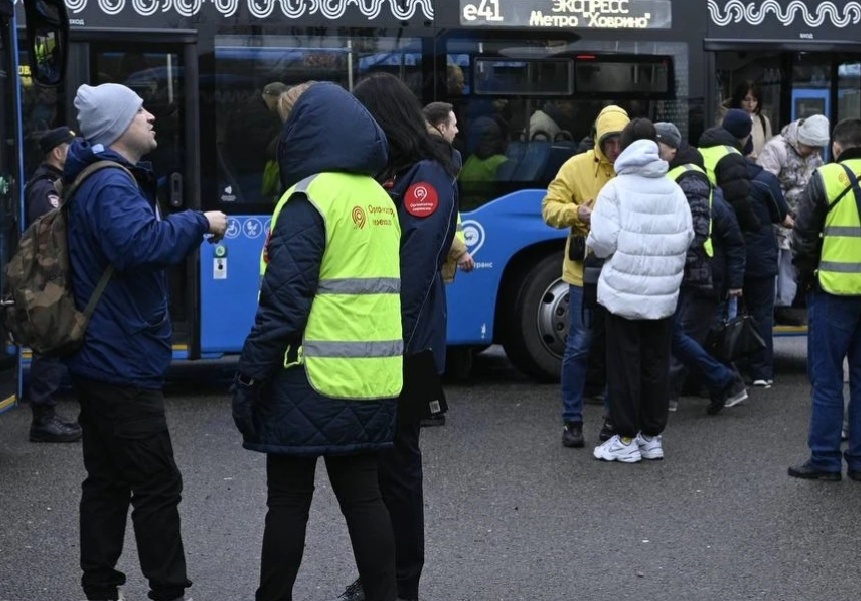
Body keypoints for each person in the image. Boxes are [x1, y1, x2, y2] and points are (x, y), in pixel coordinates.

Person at [232, 81, 402, 601]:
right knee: (365, 500)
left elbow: (284, 303)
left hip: (308, 376)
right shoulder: (378, 197)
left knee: (287, 501)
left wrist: (249, 376)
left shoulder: (310, 198)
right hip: (371, 379)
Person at [64, 83, 228, 601]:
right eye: (140, 110)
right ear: (118, 125)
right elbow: (138, 245)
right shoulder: (112, 184)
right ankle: (167, 590)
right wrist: (199, 221)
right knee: (157, 483)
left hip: (105, 354)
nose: (152, 115)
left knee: (109, 480)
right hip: (120, 359)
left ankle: (101, 586)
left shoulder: (102, 178)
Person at [342, 73, 458, 601]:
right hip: (378, 346)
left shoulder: (424, 177)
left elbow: (411, 280)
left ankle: (400, 582)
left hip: (405, 349)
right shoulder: (388, 172)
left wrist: (393, 353)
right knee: (375, 472)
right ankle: (379, 576)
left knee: (398, 473)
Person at [587, 118, 693, 462]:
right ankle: (652, 435)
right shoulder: (673, 188)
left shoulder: (616, 189)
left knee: (624, 365)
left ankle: (625, 436)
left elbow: (602, 241)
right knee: (655, 363)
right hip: (663, 294)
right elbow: (688, 236)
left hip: (623, 292)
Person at [542, 105, 629, 448]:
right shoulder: (575, 167)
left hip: (622, 272)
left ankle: (612, 419)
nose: (615, 149)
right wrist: (576, 211)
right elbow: (549, 208)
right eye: (609, 142)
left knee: (615, 349)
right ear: (598, 140)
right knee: (579, 346)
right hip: (582, 273)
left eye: (621, 141)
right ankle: (572, 421)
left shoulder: (632, 171)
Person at [789, 117, 861, 481]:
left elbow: (802, 240)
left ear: (837, 145)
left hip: (832, 294)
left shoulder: (826, 178)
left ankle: (825, 460)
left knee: (828, 378)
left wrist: (805, 280)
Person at [24, 126, 82, 443]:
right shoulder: (45, 188)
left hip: (54, 277)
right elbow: (49, 232)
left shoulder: (55, 184)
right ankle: (43, 420)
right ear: (58, 152)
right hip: (48, 279)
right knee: (49, 343)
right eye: (71, 147)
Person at [757, 115, 830, 326]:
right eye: (811, 147)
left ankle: (784, 306)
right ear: (801, 139)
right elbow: (765, 185)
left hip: (799, 221)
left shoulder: (815, 156)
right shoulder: (777, 148)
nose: (815, 152)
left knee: (789, 265)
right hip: (776, 218)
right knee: (774, 264)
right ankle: (769, 308)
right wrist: (781, 215)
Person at [741, 138, 792, 387]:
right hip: (761, 256)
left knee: (730, 313)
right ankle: (761, 372)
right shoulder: (765, 180)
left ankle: (732, 365)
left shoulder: (720, 177)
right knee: (761, 314)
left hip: (731, 257)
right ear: (751, 152)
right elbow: (782, 216)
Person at [699, 108, 761, 234]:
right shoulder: (732, 157)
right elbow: (739, 200)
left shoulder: (706, 145)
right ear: (745, 136)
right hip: (716, 222)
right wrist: (754, 226)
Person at [717, 81, 773, 158]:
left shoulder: (763, 120)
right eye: (747, 100)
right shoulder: (726, 120)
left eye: (755, 100)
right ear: (739, 99)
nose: (751, 104)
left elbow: (769, 149)